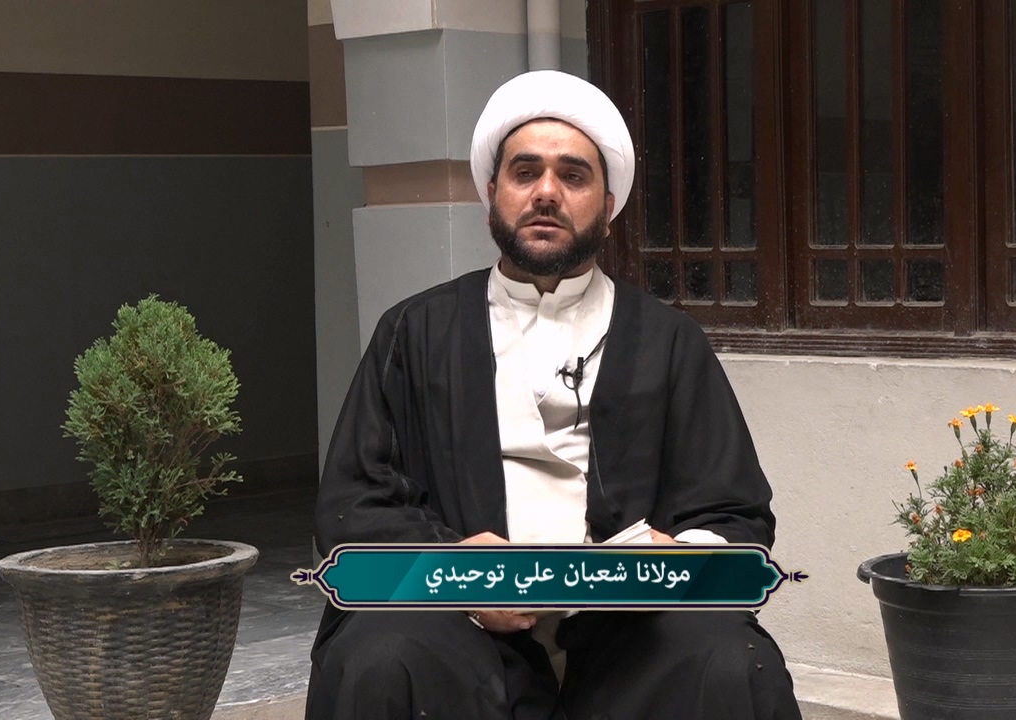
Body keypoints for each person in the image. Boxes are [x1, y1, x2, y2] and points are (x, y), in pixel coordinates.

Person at [305, 70, 803, 720]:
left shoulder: (668, 340)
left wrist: (676, 559)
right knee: (380, 657)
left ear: (607, 205)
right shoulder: (415, 330)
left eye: (572, 176)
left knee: (732, 662)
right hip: (456, 623)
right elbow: (353, 502)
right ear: (492, 195)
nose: (546, 192)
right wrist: (449, 568)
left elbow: (735, 511)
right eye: (525, 172)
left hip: (628, 633)